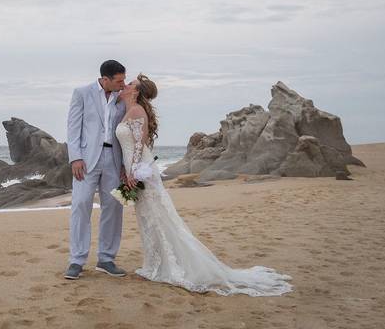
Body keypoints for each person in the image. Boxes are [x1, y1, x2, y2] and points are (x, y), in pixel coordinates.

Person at [114, 74, 293, 296]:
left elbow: (139, 146)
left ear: (136, 92)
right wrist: (126, 169)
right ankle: (154, 263)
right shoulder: (129, 111)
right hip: (135, 170)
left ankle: (165, 266)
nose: (127, 85)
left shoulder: (136, 111)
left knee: (156, 216)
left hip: (141, 170)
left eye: (131, 84)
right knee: (148, 217)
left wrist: (133, 171)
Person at [63, 60, 129, 280]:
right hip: (86, 159)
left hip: (114, 158)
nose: (123, 84)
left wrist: (125, 165)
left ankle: (106, 259)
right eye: (119, 80)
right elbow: (73, 127)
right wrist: (75, 158)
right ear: (105, 79)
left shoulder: (123, 97)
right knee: (81, 205)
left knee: (113, 207)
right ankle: (76, 260)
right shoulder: (82, 93)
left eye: (124, 80)